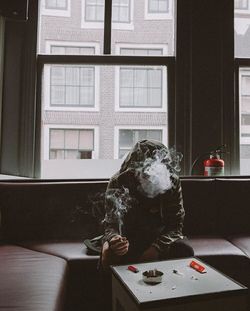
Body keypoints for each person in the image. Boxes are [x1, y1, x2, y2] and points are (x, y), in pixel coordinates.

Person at [100, 139, 194, 270]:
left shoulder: (171, 182)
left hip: (159, 236)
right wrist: (114, 239)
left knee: (184, 249)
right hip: (128, 237)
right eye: (142, 172)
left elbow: (175, 225)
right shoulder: (119, 181)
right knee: (109, 252)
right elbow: (111, 224)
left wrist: (156, 248)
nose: (148, 176)